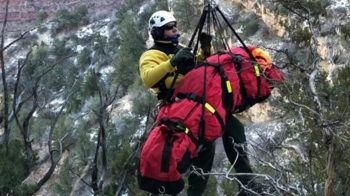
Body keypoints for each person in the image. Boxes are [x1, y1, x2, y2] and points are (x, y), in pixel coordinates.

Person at [139, 10, 215, 196]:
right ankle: (166, 188)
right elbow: (148, 78)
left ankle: (195, 191)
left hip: (192, 105)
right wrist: (172, 63)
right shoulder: (151, 55)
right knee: (170, 150)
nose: (174, 29)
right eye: (168, 27)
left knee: (208, 145)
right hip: (173, 107)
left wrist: (206, 49)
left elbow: (200, 67)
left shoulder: (180, 48)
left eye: (174, 26)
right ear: (158, 32)